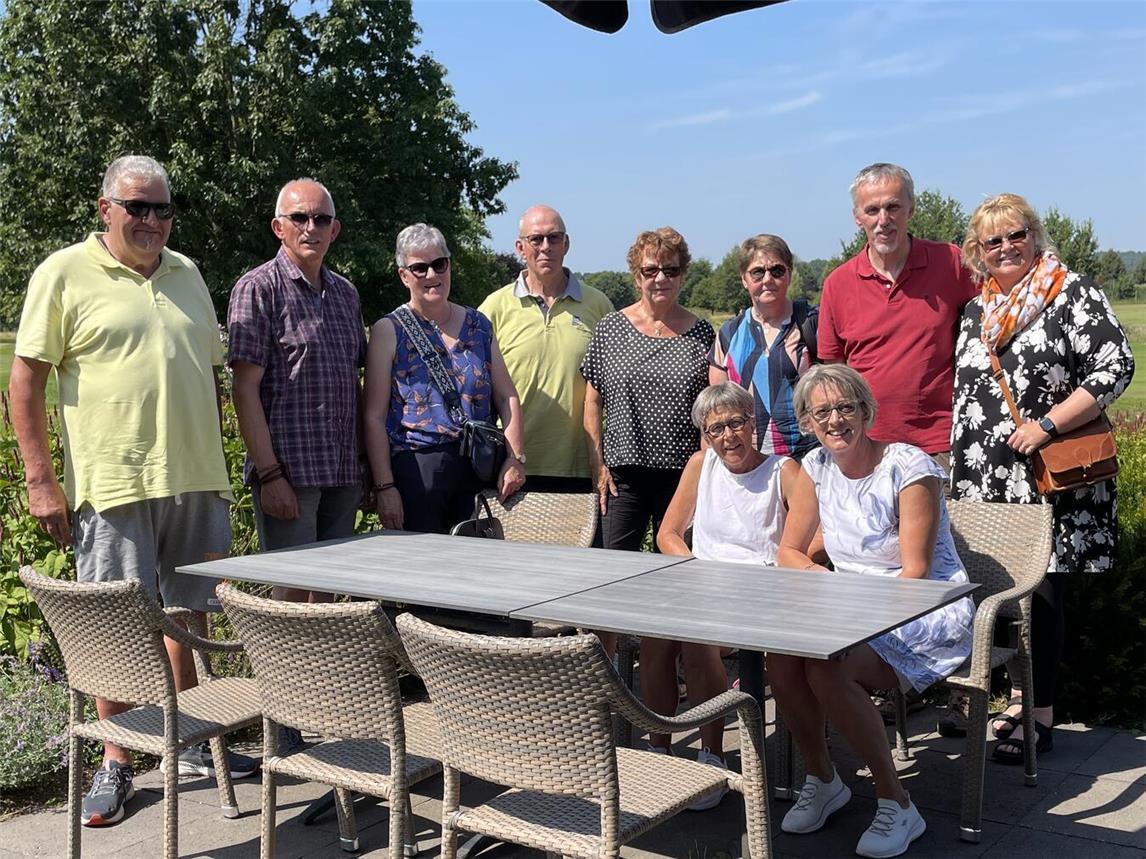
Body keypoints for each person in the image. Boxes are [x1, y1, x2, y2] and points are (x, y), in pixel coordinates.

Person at [8, 155, 256, 828]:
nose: (150, 220)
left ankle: (193, 744)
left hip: (196, 476)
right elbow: (25, 381)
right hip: (112, 482)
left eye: (162, 208)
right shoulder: (62, 272)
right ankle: (117, 759)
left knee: (190, 614)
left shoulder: (189, 273)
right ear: (104, 208)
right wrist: (41, 479)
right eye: (136, 207)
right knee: (112, 630)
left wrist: (214, 455)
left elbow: (207, 371)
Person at [950, 194, 1134, 764]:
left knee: (1044, 596)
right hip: (984, 476)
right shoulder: (975, 308)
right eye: (992, 241)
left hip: (1046, 476)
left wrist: (1047, 425)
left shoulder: (1069, 293)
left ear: (1035, 235)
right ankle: (1003, 701)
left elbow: (1116, 364)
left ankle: (1038, 716)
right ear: (977, 253)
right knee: (997, 593)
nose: (1006, 248)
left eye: (1016, 235)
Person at [774, 364, 974, 858]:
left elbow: (916, 572)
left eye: (845, 407)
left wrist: (843, 605)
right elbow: (789, 552)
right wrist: (826, 585)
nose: (835, 420)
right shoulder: (816, 467)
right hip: (850, 604)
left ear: (866, 410)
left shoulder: (910, 467)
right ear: (808, 421)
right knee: (781, 656)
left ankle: (897, 799)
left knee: (826, 664)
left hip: (924, 608)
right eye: (822, 412)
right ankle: (824, 782)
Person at [653, 382, 800, 806]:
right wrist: (696, 569)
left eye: (736, 422)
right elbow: (667, 533)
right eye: (716, 428)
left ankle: (711, 755)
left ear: (754, 422)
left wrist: (779, 566)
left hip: (761, 592)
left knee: (697, 640)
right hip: (704, 584)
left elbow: (814, 537)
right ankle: (660, 748)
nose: (728, 436)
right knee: (654, 636)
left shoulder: (782, 471)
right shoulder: (701, 465)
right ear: (705, 433)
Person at [228, 179, 366, 603]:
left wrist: (367, 470)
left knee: (331, 592)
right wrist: (269, 475)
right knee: (290, 592)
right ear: (278, 227)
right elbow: (244, 389)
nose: (311, 227)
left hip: (342, 472)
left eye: (321, 218)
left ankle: (321, 673)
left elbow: (353, 384)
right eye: (300, 217)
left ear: (335, 229)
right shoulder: (258, 289)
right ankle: (283, 673)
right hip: (291, 473)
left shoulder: (346, 294)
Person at [363, 223, 526, 534]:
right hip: (418, 469)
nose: (431, 275)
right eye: (419, 268)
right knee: (422, 573)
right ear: (404, 275)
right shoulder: (389, 330)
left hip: (477, 467)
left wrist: (515, 458)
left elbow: (507, 397)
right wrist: (385, 487)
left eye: (439, 264)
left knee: (474, 570)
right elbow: (373, 416)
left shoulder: (479, 325)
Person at [817, 163, 976, 466]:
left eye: (893, 207)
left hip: (938, 444)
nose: (883, 220)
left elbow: (1002, 302)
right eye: (872, 210)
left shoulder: (950, 262)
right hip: (868, 447)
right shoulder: (837, 284)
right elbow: (833, 372)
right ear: (857, 217)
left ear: (911, 209)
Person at [581, 226, 715, 551]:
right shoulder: (611, 328)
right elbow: (592, 403)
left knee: (676, 570)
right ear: (637, 276)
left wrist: (704, 476)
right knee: (613, 567)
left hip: (681, 476)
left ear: (682, 275)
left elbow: (711, 411)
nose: (660, 278)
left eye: (670, 270)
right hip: (622, 477)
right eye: (650, 270)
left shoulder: (702, 336)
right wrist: (598, 466)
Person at [477, 205, 613, 491]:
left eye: (554, 238)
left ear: (567, 244)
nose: (545, 247)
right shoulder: (494, 308)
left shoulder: (599, 306)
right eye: (536, 239)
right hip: (512, 466)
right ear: (520, 247)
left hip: (580, 465)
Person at [710, 234, 819, 459]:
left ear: (789, 274)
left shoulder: (814, 322)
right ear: (744, 279)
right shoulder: (728, 335)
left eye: (777, 271)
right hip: (752, 464)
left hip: (810, 459)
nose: (767, 279)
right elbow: (717, 410)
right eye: (758, 272)